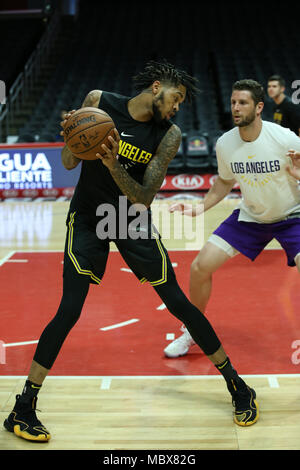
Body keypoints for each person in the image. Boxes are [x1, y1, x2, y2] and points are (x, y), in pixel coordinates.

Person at [4, 62, 259, 443]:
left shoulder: (168, 135)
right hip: (89, 217)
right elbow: (70, 162)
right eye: (175, 98)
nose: (177, 108)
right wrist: (72, 139)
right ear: (156, 88)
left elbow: (142, 197)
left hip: (128, 218)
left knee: (178, 303)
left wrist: (112, 163)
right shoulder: (99, 102)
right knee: (69, 310)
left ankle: (238, 386)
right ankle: (23, 407)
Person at [164, 79, 300, 364]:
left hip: (292, 216)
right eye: (233, 102)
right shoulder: (225, 143)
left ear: (259, 107)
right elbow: (224, 182)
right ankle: (193, 331)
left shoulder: (286, 139)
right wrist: (200, 207)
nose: (236, 108)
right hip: (250, 216)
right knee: (200, 266)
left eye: (243, 103)